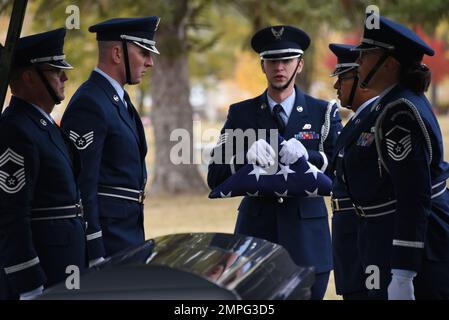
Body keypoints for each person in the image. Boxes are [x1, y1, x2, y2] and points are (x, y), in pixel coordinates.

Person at [208, 25, 342, 299]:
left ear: (300, 64)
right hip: (256, 239)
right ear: (262, 66)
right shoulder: (241, 114)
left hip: (308, 238)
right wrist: (243, 157)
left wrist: (311, 157)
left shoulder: (323, 112)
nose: (279, 67)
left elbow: (344, 170)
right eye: (272, 61)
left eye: (286, 60)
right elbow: (215, 176)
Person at [342, 14, 449, 299]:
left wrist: (404, 272)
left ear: (389, 64)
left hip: (405, 242)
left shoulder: (400, 113)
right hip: (380, 235)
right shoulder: (388, 105)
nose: (359, 61)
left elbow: (414, 195)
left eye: (366, 55)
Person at [61, 17, 160, 267]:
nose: (150, 61)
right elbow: (82, 185)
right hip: (108, 239)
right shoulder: (91, 103)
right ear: (117, 53)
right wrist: (94, 249)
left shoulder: (116, 99)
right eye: (143, 52)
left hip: (126, 232)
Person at [0, 28, 86, 300]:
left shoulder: (43, 126)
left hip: (63, 268)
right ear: (29, 77)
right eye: (55, 71)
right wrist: (29, 284)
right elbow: (10, 215)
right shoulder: (15, 129)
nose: (65, 77)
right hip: (42, 275)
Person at [328, 43, 379, 299]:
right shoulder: (359, 119)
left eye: (342, 79)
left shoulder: (378, 118)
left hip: (367, 240)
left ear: (361, 78)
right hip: (350, 239)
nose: (337, 87)